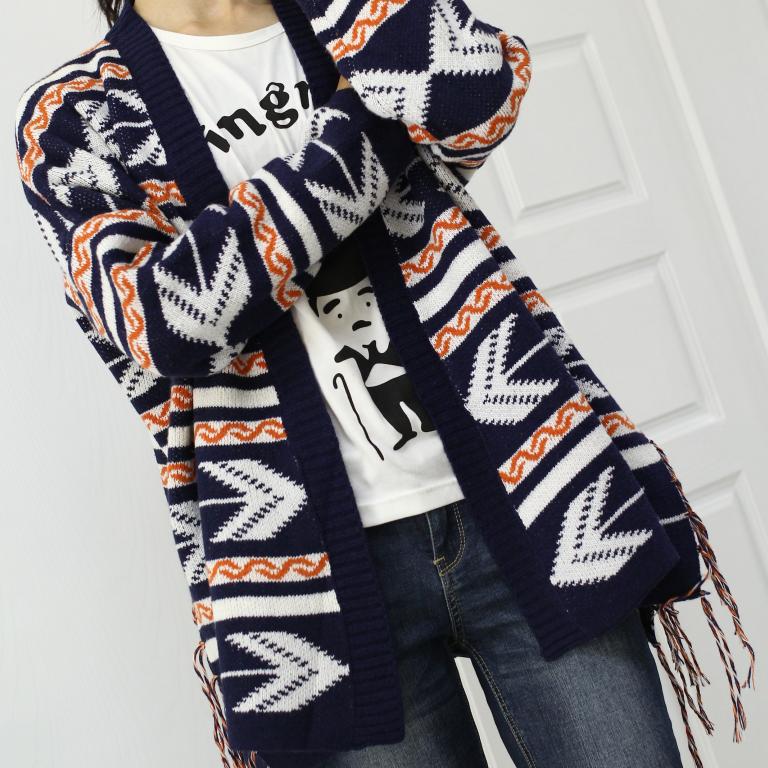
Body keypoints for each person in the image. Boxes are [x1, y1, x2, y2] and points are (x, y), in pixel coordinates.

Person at [14, 1, 754, 767]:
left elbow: (480, 87)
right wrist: (370, 129)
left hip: (525, 493)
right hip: (311, 578)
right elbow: (174, 322)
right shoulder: (75, 114)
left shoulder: (347, 16)